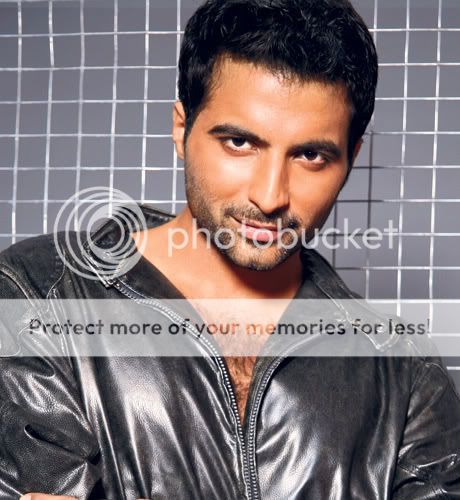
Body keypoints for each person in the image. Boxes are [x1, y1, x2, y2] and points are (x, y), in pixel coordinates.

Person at [1, 0, 459, 499]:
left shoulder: (404, 372)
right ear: (182, 129)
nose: (270, 196)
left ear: (351, 158)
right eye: (239, 143)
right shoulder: (37, 300)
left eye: (310, 155)